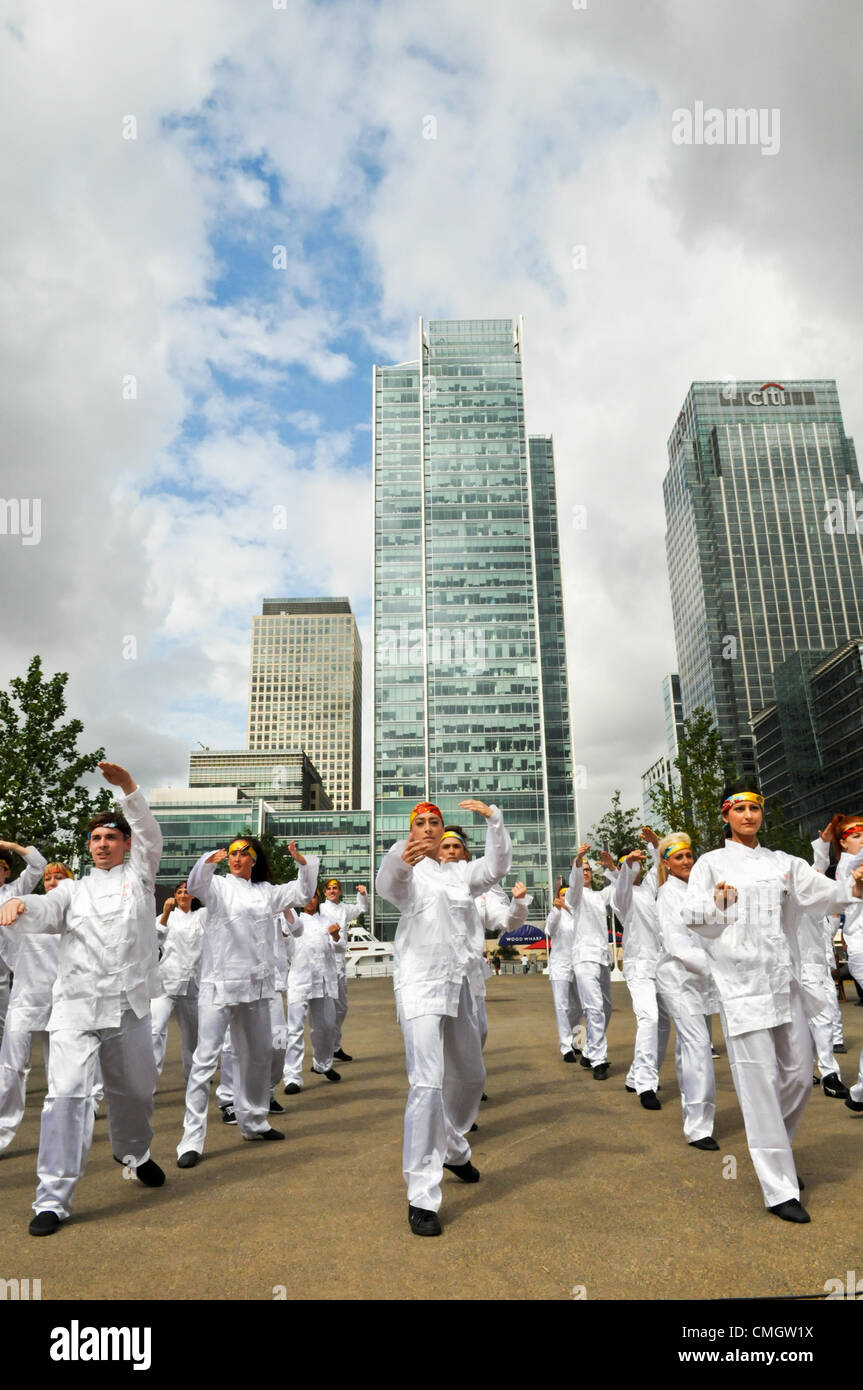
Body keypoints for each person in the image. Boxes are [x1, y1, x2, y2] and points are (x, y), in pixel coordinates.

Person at [684, 779, 863, 1223]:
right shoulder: (710, 864)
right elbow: (695, 920)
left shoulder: (783, 862)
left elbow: (823, 894)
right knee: (758, 1082)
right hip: (741, 987)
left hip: (783, 983)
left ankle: (774, 1150)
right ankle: (778, 1184)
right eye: (739, 809)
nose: (748, 816)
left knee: (801, 1076)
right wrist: (720, 905)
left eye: (755, 808)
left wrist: (853, 889)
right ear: (725, 815)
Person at [0, 762, 166, 1236]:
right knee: (66, 1097)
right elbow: (46, 908)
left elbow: (150, 834)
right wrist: (20, 904)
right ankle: (52, 1198)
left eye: (110, 837)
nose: (102, 844)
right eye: (95, 839)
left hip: (129, 1005)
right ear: (88, 846)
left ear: (126, 843)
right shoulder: (72, 889)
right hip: (74, 1006)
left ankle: (134, 1153)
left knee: (134, 1092)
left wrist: (129, 789)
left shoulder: (142, 875)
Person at [375, 798, 512, 1237]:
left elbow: (494, 869)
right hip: (419, 986)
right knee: (427, 1083)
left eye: (435, 822)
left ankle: (452, 1145)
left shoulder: (459, 873)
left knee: (471, 1077)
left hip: (457, 984)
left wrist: (494, 821)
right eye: (421, 823)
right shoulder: (406, 868)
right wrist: (401, 857)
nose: (430, 828)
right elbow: (387, 885)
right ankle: (421, 1194)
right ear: (411, 830)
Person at [176, 836, 317, 1167]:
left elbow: (304, 893)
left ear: (254, 860)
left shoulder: (267, 892)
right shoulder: (219, 886)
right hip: (218, 986)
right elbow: (197, 884)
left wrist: (301, 862)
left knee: (256, 1057)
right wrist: (210, 858)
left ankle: (253, 1121)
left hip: (256, 987)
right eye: (233, 853)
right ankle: (191, 1139)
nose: (237, 858)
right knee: (204, 1062)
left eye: (244, 853)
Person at [653, 834, 719, 1149]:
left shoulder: (698, 891)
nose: (686, 862)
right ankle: (699, 1127)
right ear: (666, 863)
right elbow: (677, 944)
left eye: (690, 856)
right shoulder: (667, 895)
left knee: (689, 1048)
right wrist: (715, 967)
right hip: (678, 979)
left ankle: (690, 1109)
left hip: (702, 980)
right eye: (678, 858)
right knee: (698, 1047)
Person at [612, 837, 670, 1110]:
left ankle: (637, 1075)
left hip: (660, 962)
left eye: (636, 863)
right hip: (637, 964)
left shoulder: (648, 890)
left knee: (663, 1023)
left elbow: (661, 868)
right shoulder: (620, 895)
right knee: (648, 1018)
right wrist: (628, 865)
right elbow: (623, 883)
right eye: (628, 865)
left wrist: (655, 845)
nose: (634, 868)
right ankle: (646, 1085)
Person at [566, 843, 617, 1079]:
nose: (585, 872)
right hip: (583, 957)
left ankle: (589, 1050)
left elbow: (620, 889)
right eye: (581, 868)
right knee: (594, 1007)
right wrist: (578, 859)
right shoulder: (573, 896)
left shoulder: (599, 896)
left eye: (588, 869)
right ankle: (599, 1060)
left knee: (606, 1007)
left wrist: (612, 868)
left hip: (601, 957)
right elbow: (575, 885)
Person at [282, 891, 343, 1092]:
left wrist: (335, 936)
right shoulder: (293, 920)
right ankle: (292, 1076)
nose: (310, 901)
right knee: (295, 1029)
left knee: (325, 1026)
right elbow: (283, 942)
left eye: (314, 897)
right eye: (306, 897)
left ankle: (322, 1064)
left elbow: (341, 948)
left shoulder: (328, 921)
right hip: (300, 980)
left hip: (322, 979)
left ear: (318, 900)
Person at [151, 881, 205, 1082]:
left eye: (187, 892)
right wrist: (165, 913)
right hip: (166, 980)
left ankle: (193, 1075)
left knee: (193, 1034)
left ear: (193, 896)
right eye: (179, 892)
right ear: (174, 896)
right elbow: (155, 940)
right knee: (155, 1030)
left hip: (192, 981)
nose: (183, 895)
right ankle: (150, 1076)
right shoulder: (166, 918)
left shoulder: (201, 916)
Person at [0, 841, 49, 1047]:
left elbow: (39, 865)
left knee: (7, 1019)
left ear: (7, 872)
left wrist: (9, 845)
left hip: (11, 961)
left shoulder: (15, 889)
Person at [319, 878, 369, 1063]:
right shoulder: (320, 909)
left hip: (339, 962)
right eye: (329, 889)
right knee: (325, 1010)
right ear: (325, 892)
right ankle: (324, 1050)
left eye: (335, 888)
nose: (332, 891)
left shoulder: (344, 910)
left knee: (341, 1008)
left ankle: (335, 1046)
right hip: (323, 961)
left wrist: (362, 894)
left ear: (339, 892)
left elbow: (362, 908)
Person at [545, 891, 582, 1062]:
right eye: (563, 893)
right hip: (560, 964)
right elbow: (549, 929)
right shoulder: (556, 914)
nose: (566, 896)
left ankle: (575, 1040)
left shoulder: (578, 913)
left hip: (578, 963)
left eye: (568, 893)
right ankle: (566, 1046)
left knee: (580, 1006)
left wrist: (568, 907)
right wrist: (557, 910)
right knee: (562, 1006)